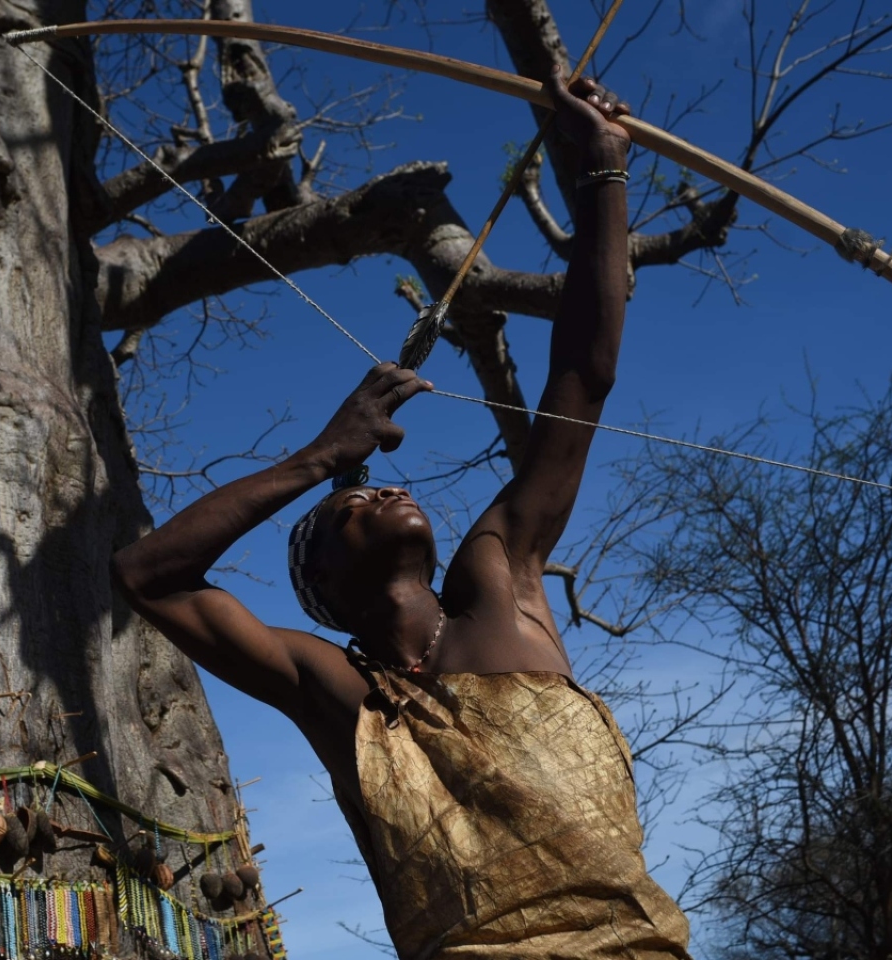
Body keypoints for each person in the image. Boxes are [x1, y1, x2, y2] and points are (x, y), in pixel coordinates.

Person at [111, 67, 692, 960]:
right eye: (351, 506)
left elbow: (584, 371)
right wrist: (321, 457)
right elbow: (148, 576)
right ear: (324, 583)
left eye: (377, 486)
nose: (384, 489)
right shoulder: (342, 694)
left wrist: (605, 167)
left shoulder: (501, 582)